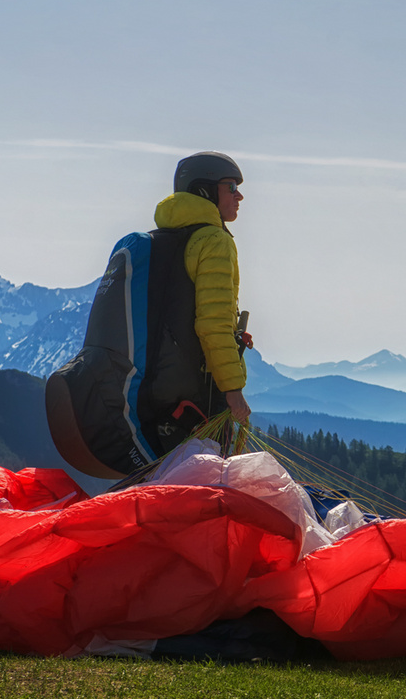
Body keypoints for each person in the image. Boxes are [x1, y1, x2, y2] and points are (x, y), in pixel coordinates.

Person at [45, 151, 254, 479]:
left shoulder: (163, 242)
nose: (239, 195)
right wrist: (234, 390)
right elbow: (212, 325)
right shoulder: (213, 242)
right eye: (231, 186)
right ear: (205, 191)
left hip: (155, 402)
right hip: (193, 405)